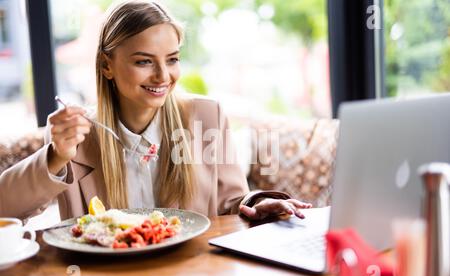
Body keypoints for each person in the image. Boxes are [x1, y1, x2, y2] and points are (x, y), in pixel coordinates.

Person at [0, 0, 311, 222]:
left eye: (172, 59)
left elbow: (231, 203)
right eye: (144, 61)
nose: (163, 77)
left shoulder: (207, 117)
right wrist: (55, 156)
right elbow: (4, 210)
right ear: (107, 65)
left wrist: (257, 203)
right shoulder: (74, 136)